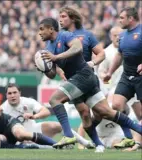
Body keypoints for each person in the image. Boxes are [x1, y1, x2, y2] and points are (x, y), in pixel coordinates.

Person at [37, 17, 142, 151]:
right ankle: (100, 144)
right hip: (78, 79)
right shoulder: (48, 47)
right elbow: (52, 74)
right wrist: (44, 68)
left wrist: (56, 57)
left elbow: (78, 47)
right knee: (105, 112)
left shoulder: (65, 35)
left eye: (41, 29)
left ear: (51, 29)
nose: (39, 33)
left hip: (83, 75)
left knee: (54, 99)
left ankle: (68, 135)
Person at [58, 6, 106, 151]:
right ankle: (96, 144)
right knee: (84, 113)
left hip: (89, 78)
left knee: (99, 113)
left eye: (63, 16)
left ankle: (85, 137)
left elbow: (101, 54)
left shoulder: (87, 35)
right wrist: (60, 71)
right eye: (59, 16)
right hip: (73, 82)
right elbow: (55, 59)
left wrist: (93, 62)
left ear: (73, 18)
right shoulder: (59, 37)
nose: (60, 19)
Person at [1, 82, 94, 148]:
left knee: (57, 126)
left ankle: (86, 143)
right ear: (6, 95)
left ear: (19, 93)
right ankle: (56, 147)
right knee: (28, 145)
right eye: (9, 93)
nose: (12, 95)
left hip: (34, 130)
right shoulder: (3, 109)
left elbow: (46, 111)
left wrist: (34, 116)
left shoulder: (27, 101)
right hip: (18, 138)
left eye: (14, 92)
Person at [103, 7, 142, 147]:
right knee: (117, 105)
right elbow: (119, 55)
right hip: (127, 76)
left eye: (121, 18)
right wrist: (110, 72)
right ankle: (128, 137)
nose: (119, 20)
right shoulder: (123, 35)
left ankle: (138, 139)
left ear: (130, 19)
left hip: (141, 77)